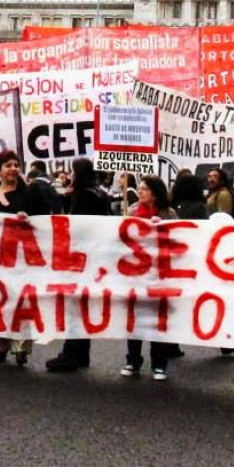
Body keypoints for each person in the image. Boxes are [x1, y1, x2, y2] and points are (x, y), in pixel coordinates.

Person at [46, 157, 109, 373]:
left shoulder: (85, 195)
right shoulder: (100, 192)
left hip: (82, 258)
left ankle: (72, 353)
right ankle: (81, 352)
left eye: (73, 171)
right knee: (82, 306)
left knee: (74, 307)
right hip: (95, 257)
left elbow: (78, 227)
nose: (70, 175)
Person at [122, 175, 181, 381]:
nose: (140, 191)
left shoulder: (168, 213)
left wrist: (162, 228)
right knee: (135, 319)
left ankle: (159, 364)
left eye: (145, 188)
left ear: (155, 192)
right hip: (136, 276)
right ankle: (133, 360)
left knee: (158, 320)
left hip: (159, 276)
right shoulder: (131, 212)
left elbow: (178, 241)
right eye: (139, 187)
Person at [0, 149, 37, 365]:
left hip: (22, 257)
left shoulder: (29, 193)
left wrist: (29, 218)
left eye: (16, 165)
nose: (13, 169)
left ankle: (21, 346)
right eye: (8, 165)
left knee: (20, 301)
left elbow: (45, 219)